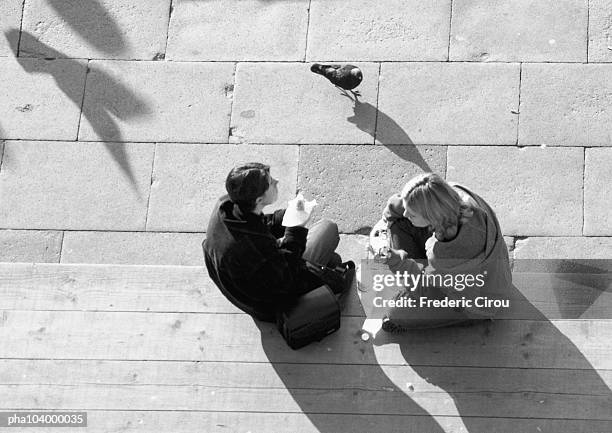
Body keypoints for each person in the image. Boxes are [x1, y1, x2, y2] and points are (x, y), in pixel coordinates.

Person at [203, 162, 348, 322]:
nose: (277, 181)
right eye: (271, 183)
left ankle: (326, 272)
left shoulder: (228, 205)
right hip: (272, 304)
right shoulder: (252, 250)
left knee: (333, 258)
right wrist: (296, 228)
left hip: (248, 284)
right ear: (259, 199)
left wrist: (287, 215)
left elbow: (260, 223)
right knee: (328, 231)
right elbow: (288, 278)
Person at [372, 173, 513, 331]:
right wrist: (392, 211)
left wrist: (396, 260)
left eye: (411, 214)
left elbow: (424, 287)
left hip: (474, 302)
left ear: (431, 216)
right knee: (400, 223)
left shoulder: (447, 254)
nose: (406, 214)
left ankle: (469, 319)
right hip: (484, 273)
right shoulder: (453, 193)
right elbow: (410, 198)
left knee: (395, 313)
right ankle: (410, 276)